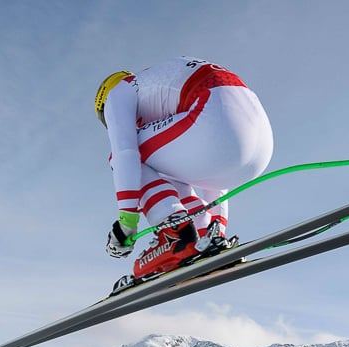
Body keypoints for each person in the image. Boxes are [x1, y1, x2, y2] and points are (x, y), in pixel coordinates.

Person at [96, 56, 274, 281]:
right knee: (170, 167)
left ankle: (174, 237)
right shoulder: (159, 86)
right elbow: (214, 179)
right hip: (260, 145)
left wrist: (127, 224)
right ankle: (200, 233)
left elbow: (125, 153)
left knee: (126, 155)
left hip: (212, 115)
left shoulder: (118, 90)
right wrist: (216, 233)